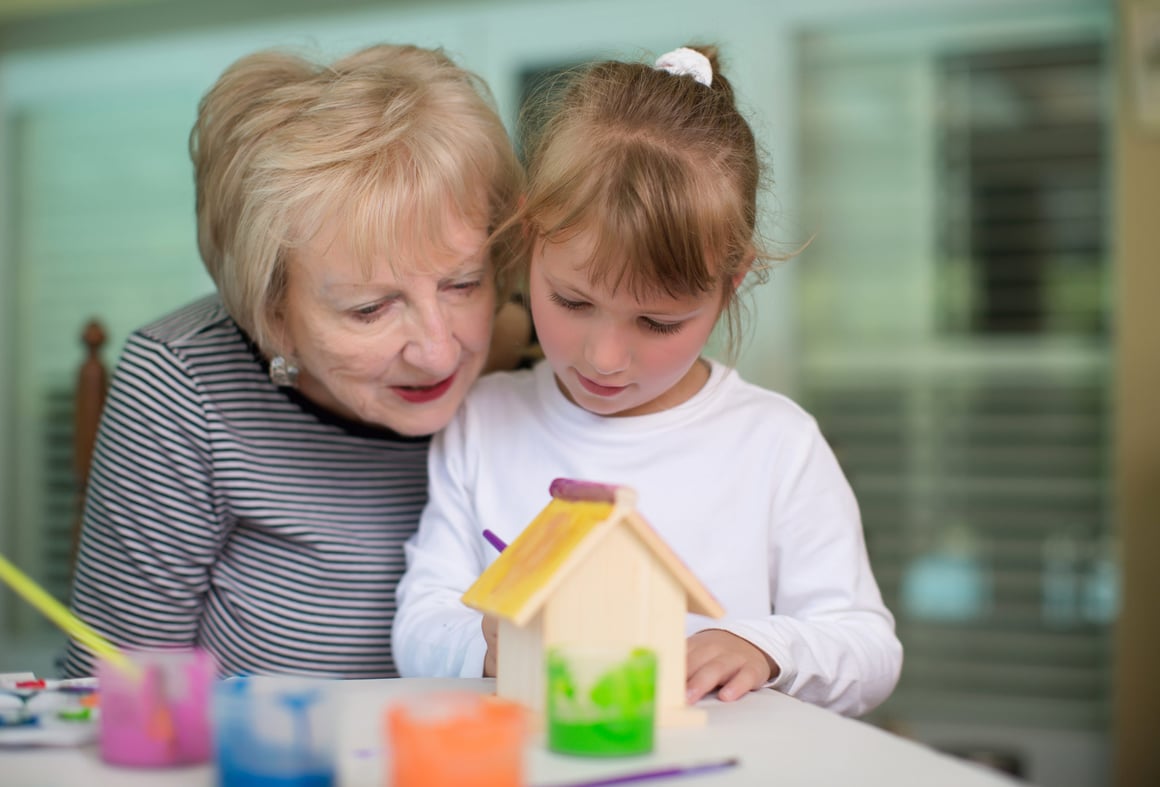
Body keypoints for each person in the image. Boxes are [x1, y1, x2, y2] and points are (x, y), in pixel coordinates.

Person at [392, 45, 902, 716]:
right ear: (527, 234)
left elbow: (868, 647)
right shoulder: (482, 420)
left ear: (731, 283)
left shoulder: (776, 444)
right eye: (572, 302)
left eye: (658, 322)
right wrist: (482, 642)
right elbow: (418, 625)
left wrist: (761, 646)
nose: (604, 357)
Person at [63, 42, 525, 679]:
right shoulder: (184, 382)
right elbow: (114, 696)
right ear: (271, 311)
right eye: (370, 309)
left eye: (463, 284)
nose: (439, 351)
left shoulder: (554, 366)